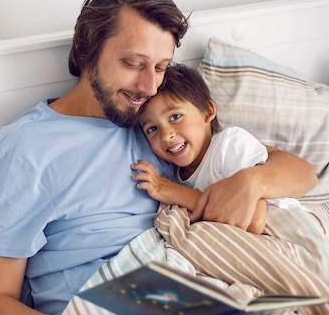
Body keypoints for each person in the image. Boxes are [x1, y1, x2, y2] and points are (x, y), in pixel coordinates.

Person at [0, 0, 317, 315]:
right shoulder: (27, 148)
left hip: (197, 282)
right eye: (134, 64)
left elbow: (301, 172)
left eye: (161, 67)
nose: (149, 86)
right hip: (105, 309)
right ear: (86, 48)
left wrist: (252, 181)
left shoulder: (160, 121)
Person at [132, 64, 308, 235]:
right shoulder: (175, 174)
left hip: (293, 228)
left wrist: (171, 192)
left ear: (208, 112)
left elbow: (254, 221)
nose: (165, 135)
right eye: (152, 129)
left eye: (175, 116)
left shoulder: (229, 146)